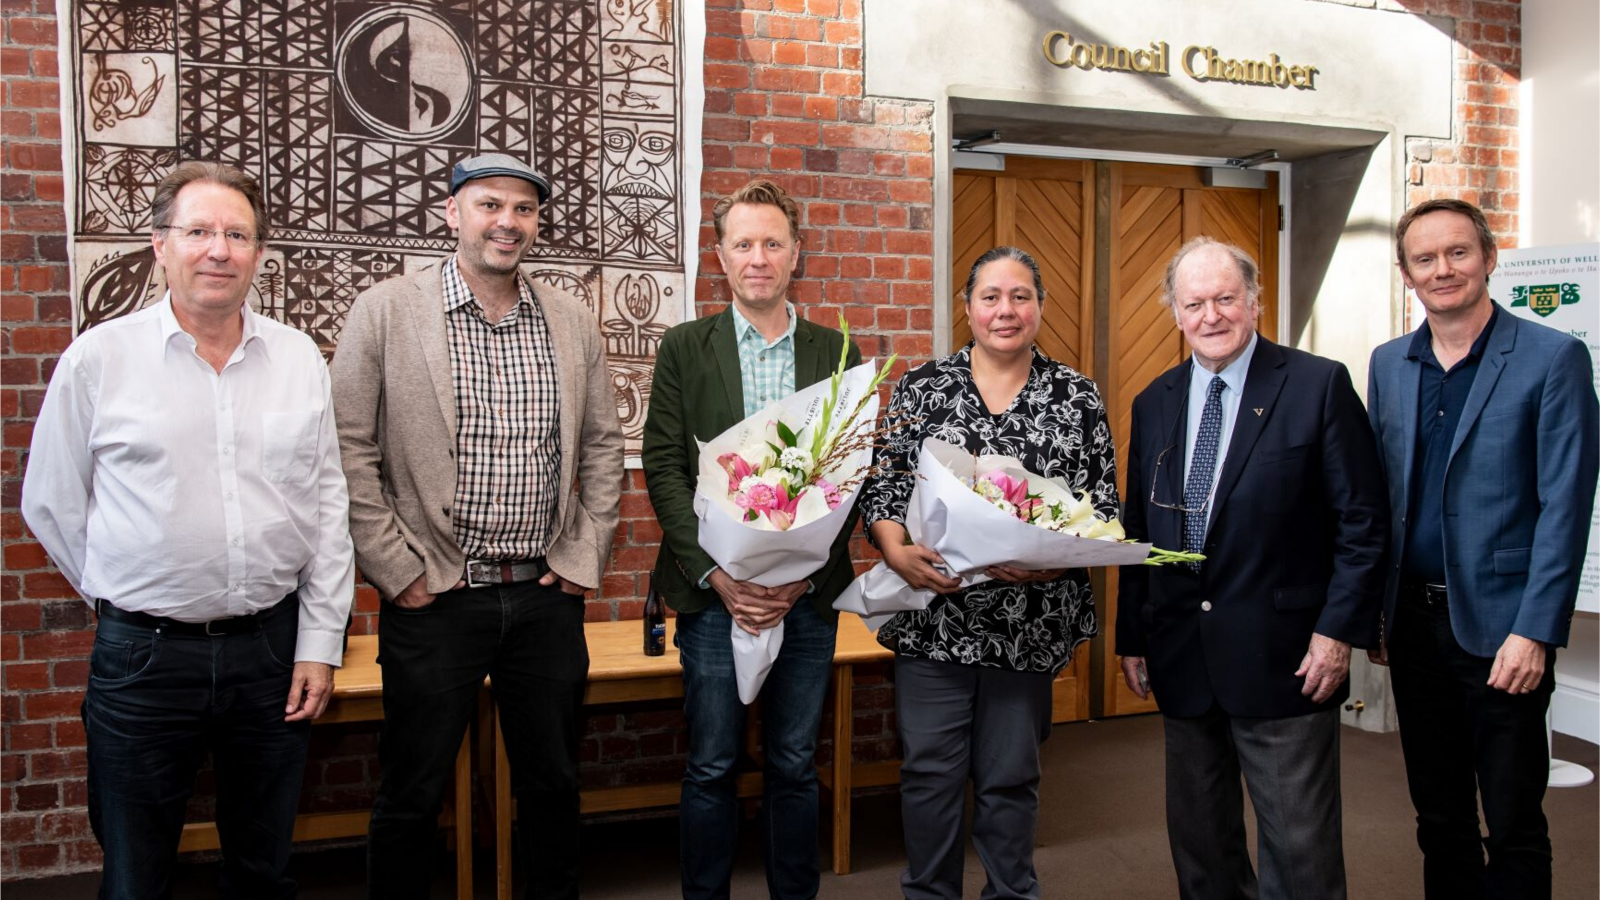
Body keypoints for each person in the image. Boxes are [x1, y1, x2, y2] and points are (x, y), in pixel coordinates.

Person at [21, 161, 355, 898]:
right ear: (159, 246)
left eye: (238, 234)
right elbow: (50, 501)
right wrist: (124, 584)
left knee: (263, 865)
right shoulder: (99, 360)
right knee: (137, 873)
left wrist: (318, 643)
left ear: (259, 254)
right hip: (144, 660)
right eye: (199, 230)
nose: (219, 250)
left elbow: (328, 507)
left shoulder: (298, 358)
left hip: (272, 653)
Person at [331, 152, 624, 900]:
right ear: (453, 212)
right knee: (412, 791)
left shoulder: (568, 319)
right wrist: (396, 570)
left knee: (554, 785)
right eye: (490, 204)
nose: (508, 222)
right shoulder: (386, 310)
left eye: (523, 209)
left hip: (542, 596)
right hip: (434, 595)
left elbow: (600, 447)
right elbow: (347, 448)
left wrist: (582, 554)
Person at [1115, 237, 1388, 900]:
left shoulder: (1317, 385)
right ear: (1175, 313)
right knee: (1202, 846)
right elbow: (1140, 531)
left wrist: (1337, 631)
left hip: (1286, 656)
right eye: (1195, 303)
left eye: (1225, 299)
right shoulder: (1155, 401)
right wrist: (1133, 636)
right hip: (1183, 652)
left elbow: (1363, 524)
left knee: (1299, 852)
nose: (1211, 315)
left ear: (1255, 302)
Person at [860, 246, 1117, 900]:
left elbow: (1102, 509)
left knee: (1009, 777)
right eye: (991, 297)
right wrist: (894, 550)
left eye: (1020, 296)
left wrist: (1043, 559)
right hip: (934, 618)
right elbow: (886, 487)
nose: (1006, 310)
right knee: (928, 774)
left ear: (1039, 306)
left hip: (1026, 623)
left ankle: (1010, 892)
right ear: (967, 307)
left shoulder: (1077, 396)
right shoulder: (923, 387)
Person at [1367, 199, 1599, 899]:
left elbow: (1566, 506)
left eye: (1458, 253)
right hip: (1411, 624)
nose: (1444, 269)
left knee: (1514, 818)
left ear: (1490, 258)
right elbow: (1383, 499)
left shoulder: (1552, 357)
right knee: (1438, 815)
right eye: (1426, 258)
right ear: (1407, 274)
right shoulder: (1388, 364)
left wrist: (1535, 629)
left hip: (1503, 629)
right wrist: (1377, 614)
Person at [640, 178, 860, 900]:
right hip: (713, 601)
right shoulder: (684, 347)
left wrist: (799, 575)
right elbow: (664, 466)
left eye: (772, 243)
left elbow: (849, 475)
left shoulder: (839, 353)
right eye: (743, 244)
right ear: (721, 257)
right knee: (711, 764)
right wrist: (716, 575)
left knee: (795, 761)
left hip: (807, 597)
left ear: (796, 254)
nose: (758, 257)